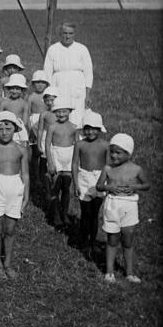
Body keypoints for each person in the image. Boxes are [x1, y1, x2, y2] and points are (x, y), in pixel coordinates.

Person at [0, 112, 30, 280]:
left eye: (8, 128)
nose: (4, 132)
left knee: (9, 229)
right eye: (0, 128)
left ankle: (8, 263)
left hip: (15, 188)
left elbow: (25, 174)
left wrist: (26, 196)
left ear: (15, 129)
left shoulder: (21, 149)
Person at [97, 133, 148, 284]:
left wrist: (135, 186)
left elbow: (147, 185)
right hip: (112, 205)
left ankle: (129, 273)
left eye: (118, 152)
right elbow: (99, 186)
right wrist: (108, 186)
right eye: (111, 151)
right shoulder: (107, 169)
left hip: (129, 206)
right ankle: (109, 272)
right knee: (112, 239)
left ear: (128, 153)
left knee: (128, 239)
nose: (113, 155)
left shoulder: (136, 169)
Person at [71, 110, 108, 255]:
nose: (90, 132)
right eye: (87, 128)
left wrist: (102, 181)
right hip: (84, 178)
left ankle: (93, 241)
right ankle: (84, 241)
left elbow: (108, 165)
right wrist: (76, 183)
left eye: (94, 129)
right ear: (83, 129)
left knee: (94, 212)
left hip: (100, 179)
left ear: (99, 129)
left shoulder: (105, 145)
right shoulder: (80, 144)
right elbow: (74, 164)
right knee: (85, 212)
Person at [43, 22, 93, 126]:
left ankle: (78, 137)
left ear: (74, 34)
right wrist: (49, 92)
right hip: (58, 84)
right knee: (60, 110)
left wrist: (87, 94)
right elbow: (47, 72)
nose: (67, 36)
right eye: (65, 33)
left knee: (78, 111)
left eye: (70, 33)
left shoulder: (82, 49)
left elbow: (88, 73)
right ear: (60, 34)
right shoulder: (53, 49)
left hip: (77, 86)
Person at [45, 97, 78, 231]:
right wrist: (51, 163)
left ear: (69, 111)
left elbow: (77, 145)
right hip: (56, 156)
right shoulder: (52, 126)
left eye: (64, 111)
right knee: (55, 187)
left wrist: (76, 163)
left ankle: (64, 214)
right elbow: (47, 145)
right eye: (58, 112)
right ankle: (56, 216)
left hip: (69, 157)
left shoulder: (74, 127)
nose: (61, 114)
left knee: (66, 188)